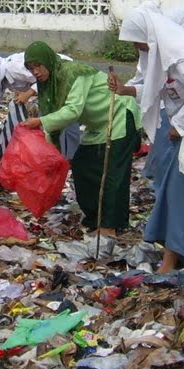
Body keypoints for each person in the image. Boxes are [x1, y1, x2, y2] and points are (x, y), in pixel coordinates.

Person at [110, 5, 184, 273]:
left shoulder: (180, 56)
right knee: (181, 193)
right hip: (180, 132)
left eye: (138, 41)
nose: (137, 47)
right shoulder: (163, 55)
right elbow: (157, 89)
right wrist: (125, 89)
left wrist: (180, 124)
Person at [20, 41, 142, 236]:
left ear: (48, 61)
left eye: (38, 65)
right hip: (97, 126)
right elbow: (53, 119)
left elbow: (72, 111)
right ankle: (96, 219)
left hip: (118, 115)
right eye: (30, 68)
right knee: (83, 166)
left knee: (112, 174)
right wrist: (51, 156)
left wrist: (40, 121)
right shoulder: (49, 85)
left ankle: (110, 226)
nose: (35, 71)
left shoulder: (74, 74)